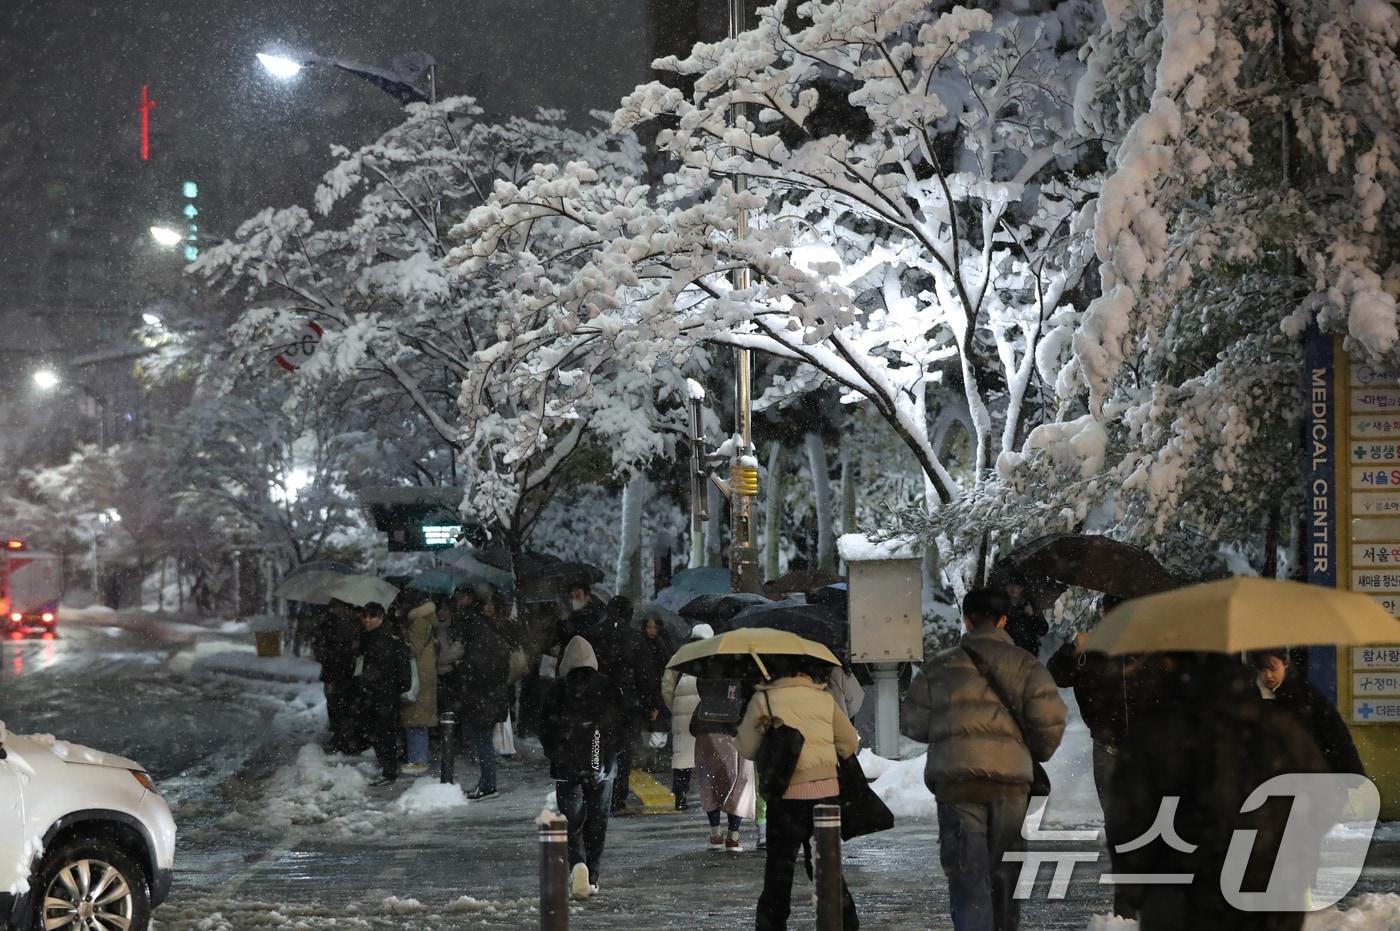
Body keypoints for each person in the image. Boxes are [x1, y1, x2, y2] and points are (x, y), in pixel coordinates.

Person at [1107, 653, 1336, 930]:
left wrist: (1137, 892)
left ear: (1174, 664)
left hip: (1181, 897)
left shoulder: (1155, 731)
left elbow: (1128, 823)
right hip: (1270, 891)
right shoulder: (1279, 728)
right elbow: (1323, 801)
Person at [901, 588, 1068, 931]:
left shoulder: (941, 665)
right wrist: (1031, 751)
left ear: (966, 618)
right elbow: (1050, 721)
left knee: (967, 875)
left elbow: (913, 723)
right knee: (1005, 873)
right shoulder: (1026, 665)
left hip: (956, 784)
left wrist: (951, 732)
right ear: (1004, 619)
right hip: (1010, 785)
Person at [739, 657, 861, 931]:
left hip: (786, 796)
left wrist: (766, 730)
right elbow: (849, 742)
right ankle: (845, 922)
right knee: (826, 867)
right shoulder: (823, 698)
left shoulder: (764, 700)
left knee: (779, 868)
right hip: (826, 796)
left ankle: (772, 925)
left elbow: (746, 748)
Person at [540, 636, 624, 901]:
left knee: (572, 822)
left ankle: (577, 864)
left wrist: (556, 752)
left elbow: (545, 728)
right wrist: (610, 751)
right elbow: (621, 725)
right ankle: (594, 875)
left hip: (567, 768)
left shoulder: (558, 690)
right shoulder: (608, 687)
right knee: (598, 820)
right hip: (602, 765)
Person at [1250, 648, 1365, 777]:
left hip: (1306, 777)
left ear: (1285, 664)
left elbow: (1335, 736)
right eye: (1262, 669)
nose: (1268, 675)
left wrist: (1353, 773)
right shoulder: (1249, 697)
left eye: (1273, 668)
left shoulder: (1306, 697)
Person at [459, 585, 514, 799]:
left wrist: (465, 671)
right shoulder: (494, 640)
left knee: (483, 744)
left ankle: (488, 785)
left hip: (483, 700)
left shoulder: (480, 646)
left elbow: (477, 674)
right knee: (484, 743)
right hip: (491, 699)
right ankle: (486, 783)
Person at [694, 667, 757, 851]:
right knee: (739, 783)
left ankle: (715, 833)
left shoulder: (704, 671)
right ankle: (733, 837)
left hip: (706, 730)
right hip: (735, 730)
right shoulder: (744, 671)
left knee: (709, 783)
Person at [590, 595, 643, 813]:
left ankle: (596, 793)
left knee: (597, 747)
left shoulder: (595, 634)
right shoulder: (633, 637)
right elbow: (643, 673)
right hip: (626, 702)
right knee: (623, 751)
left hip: (598, 700)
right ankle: (617, 798)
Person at [353, 602, 411, 786]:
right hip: (378, 693)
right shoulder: (372, 637)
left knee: (385, 733)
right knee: (380, 733)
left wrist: (379, 683)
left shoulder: (387, 639)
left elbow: (395, 668)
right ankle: (387, 769)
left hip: (383, 693)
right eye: (366, 617)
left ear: (381, 617)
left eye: (372, 617)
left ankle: (389, 772)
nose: (368, 620)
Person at [662, 624, 708, 811]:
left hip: (682, 710)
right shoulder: (712, 655)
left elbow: (666, 686)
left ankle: (680, 796)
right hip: (705, 708)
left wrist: (674, 707)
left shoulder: (678, 656)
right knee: (710, 752)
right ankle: (713, 795)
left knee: (682, 756)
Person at [316, 598, 364, 753]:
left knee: (346, 705)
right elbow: (320, 647)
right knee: (338, 704)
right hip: (336, 670)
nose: (335, 610)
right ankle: (342, 736)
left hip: (347, 671)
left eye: (337, 607)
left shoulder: (358, 623)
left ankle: (346, 737)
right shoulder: (329, 624)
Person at [400, 592, 440, 776]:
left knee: (416, 717)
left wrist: (400, 640)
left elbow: (413, 649)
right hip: (426, 673)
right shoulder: (427, 619)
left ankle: (418, 759)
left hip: (418, 674)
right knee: (419, 716)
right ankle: (419, 756)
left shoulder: (417, 622)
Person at [1003, 574, 1049, 656]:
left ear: (1021, 588)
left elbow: (1043, 629)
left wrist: (1033, 616)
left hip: (1027, 652)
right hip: (1007, 652)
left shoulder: (1030, 605)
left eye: (1016, 586)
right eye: (1010, 585)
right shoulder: (1002, 607)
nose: (1012, 588)